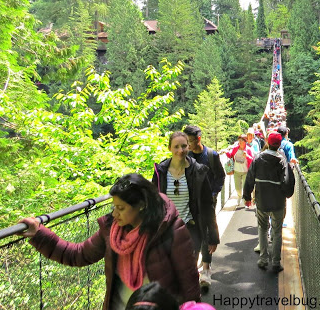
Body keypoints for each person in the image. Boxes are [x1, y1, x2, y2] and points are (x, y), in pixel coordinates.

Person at [19, 173, 201, 310]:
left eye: (121, 208)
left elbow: (189, 284)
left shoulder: (170, 230)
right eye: (114, 207)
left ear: (142, 205)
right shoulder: (112, 231)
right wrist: (39, 234)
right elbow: (77, 254)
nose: (115, 214)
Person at [153, 132, 220, 293]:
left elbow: (207, 205)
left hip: (190, 228)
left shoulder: (198, 171)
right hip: (166, 230)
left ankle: (189, 300)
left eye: (184, 146)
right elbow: (153, 202)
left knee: (188, 272)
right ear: (169, 148)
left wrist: (213, 235)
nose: (180, 150)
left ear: (189, 147)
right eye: (176, 146)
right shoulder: (160, 171)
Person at [243, 131, 293, 273]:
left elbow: (249, 177)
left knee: (262, 228)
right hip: (278, 202)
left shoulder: (258, 158)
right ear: (279, 145)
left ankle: (263, 259)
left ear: (267, 143)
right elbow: (286, 181)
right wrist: (287, 194)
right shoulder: (282, 160)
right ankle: (276, 262)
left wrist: (247, 196)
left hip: (262, 200)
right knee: (277, 231)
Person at [225, 134, 254, 208]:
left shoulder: (248, 149)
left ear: (245, 141)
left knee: (245, 187)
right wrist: (226, 152)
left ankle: (245, 200)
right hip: (236, 171)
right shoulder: (235, 148)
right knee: (237, 187)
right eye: (239, 141)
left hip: (245, 171)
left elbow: (253, 160)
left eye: (241, 141)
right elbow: (231, 155)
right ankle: (239, 196)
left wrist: (247, 156)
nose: (240, 142)